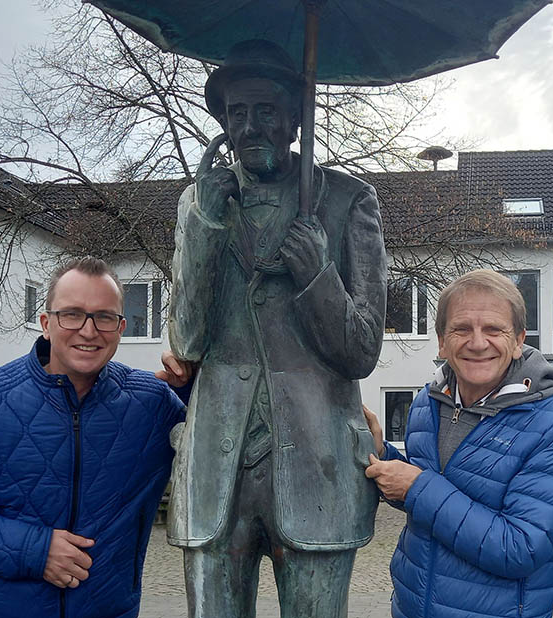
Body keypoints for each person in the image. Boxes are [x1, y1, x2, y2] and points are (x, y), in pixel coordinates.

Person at [163, 39, 386, 618]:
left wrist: (317, 275)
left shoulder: (347, 201)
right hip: (216, 467)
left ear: (294, 120)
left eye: (266, 111)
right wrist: (206, 226)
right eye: (236, 113)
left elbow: (361, 350)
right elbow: (186, 341)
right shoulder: (201, 203)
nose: (250, 126)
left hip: (318, 464)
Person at [0, 257, 188, 618]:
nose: (88, 330)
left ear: (121, 327)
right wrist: (34, 551)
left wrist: (193, 379)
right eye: (72, 314)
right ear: (46, 324)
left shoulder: (153, 404)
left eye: (104, 316)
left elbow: (222, 446)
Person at [364, 269, 553, 618]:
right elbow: (428, 497)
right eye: (461, 329)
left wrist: (415, 487)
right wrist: (383, 455)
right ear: (442, 341)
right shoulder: (428, 404)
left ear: (518, 340)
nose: (477, 342)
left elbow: (522, 548)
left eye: (493, 329)